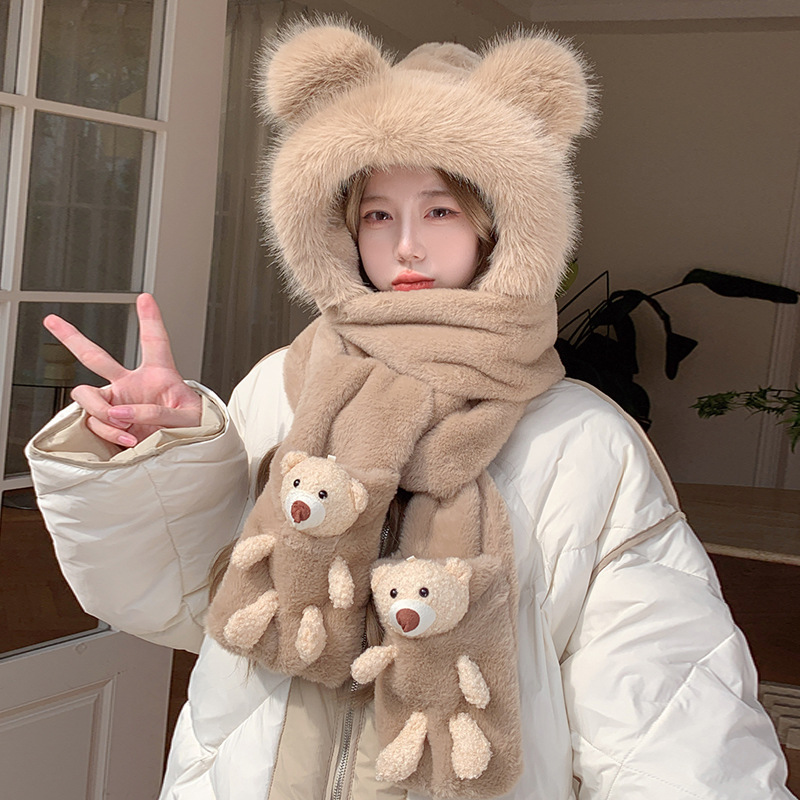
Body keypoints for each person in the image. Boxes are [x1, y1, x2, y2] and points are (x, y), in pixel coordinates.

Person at [26, 20, 795, 800]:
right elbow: (184, 601)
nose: (406, 247)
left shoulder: (582, 439)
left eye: (440, 211)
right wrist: (158, 454)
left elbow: (664, 712)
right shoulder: (281, 389)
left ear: (500, 225)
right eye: (377, 214)